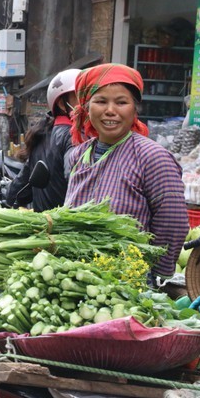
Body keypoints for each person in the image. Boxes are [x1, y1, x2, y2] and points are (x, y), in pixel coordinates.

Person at [65, 63, 188, 280]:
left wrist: (155, 275)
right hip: (76, 277)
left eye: (121, 102)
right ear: (86, 107)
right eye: (101, 101)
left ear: (135, 109)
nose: (110, 110)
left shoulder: (152, 157)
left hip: (128, 283)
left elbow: (172, 223)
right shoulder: (79, 155)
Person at [5, 69, 80, 211]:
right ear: (62, 104)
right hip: (68, 227)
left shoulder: (42, 134)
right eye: (81, 98)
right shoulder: (74, 137)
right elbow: (78, 181)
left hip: (45, 226)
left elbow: (15, 194)